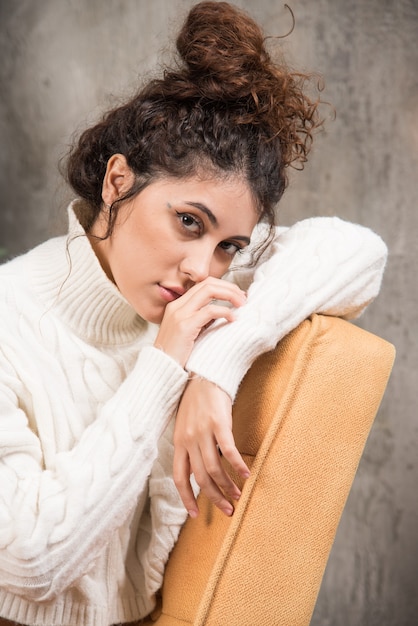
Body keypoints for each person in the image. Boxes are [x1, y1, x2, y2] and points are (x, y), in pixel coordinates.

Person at [0, 2, 387, 625]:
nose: (203, 270)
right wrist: (162, 371)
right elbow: (28, 564)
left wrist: (216, 367)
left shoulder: (185, 297)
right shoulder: (9, 316)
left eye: (229, 246)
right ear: (117, 182)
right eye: (188, 222)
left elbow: (360, 253)